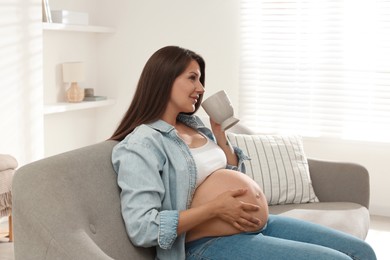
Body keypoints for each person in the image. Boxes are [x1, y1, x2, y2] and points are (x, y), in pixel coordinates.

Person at [110, 46, 376, 260]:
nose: (201, 88)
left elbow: (229, 176)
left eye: (200, 79)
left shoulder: (195, 126)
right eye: (192, 78)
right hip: (206, 244)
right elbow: (143, 229)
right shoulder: (142, 144)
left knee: (363, 252)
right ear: (165, 80)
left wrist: (220, 134)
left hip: (256, 223)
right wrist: (216, 208)